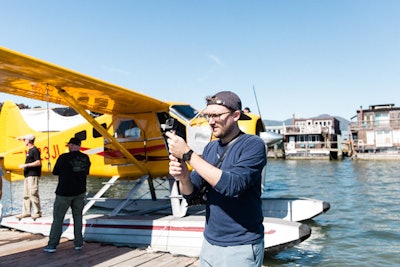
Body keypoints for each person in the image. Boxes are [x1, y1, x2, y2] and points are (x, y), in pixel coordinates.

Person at [166, 91, 267, 266]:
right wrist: (183, 177)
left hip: (240, 246)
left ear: (236, 115)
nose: (211, 121)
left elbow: (233, 185)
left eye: (216, 115)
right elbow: (191, 193)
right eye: (208, 116)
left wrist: (188, 155)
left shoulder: (253, 145)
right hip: (209, 243)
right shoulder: (210, 148)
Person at [44, 137, 91, 253]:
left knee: (58, 219)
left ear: (72, 145)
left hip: (64, 192)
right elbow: (86, 172)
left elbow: (55, 172)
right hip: (80, 192)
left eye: (69, 144)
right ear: (79, 145)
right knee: (78, 217)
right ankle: (78, 243)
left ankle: (52, 245)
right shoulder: (86, 158)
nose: (68, 146)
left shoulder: (64, 157)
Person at [16, 134, 42, 220]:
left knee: (33, 193)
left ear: (29, 141)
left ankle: (37, 212)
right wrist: (20, 138)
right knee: (26, 194)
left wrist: (26, 165)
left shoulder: (35, 150)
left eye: (25, 140)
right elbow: (23, 139)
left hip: (33, 175)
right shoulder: (29, 150)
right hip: (27, 175)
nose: (24, 141)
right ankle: (26, 212)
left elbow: (38, 162)